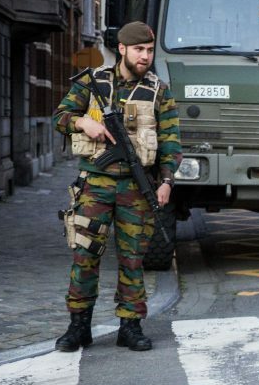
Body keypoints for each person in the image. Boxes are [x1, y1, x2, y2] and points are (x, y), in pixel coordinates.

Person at [52, 21, 181, 352]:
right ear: (122, 49)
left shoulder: (158, 91)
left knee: (133, 258)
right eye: (139, 50)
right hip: (95, 185)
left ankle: (131, 326)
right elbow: (60, 116)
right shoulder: (94, 82)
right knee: (85, 256)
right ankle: (78, 326)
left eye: (150, 51)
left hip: (137, 190)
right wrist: (84, 122)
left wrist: (166, 181)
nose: (145, 57)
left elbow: (170, 143)